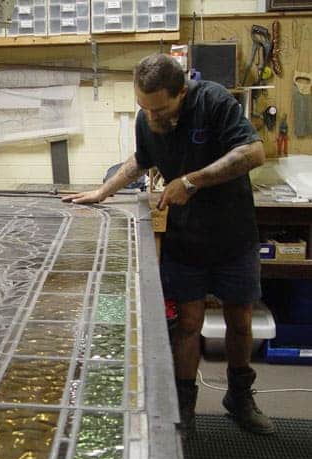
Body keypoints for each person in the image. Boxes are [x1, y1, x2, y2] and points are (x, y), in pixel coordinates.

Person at [62, 53, 274, 438]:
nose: (151, 117)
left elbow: (253, 152)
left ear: (182, 92)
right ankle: (184, 404)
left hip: (233, 235)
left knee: (239, 321)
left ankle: (240, 397)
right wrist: (104, 190)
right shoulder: (149, 117)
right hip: (186, 238)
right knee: (187, 325)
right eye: (144, 108)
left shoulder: (214, 102)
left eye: (159, 108)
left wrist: (191, 181)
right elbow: (142, 161)